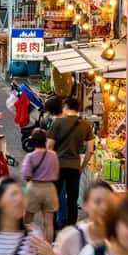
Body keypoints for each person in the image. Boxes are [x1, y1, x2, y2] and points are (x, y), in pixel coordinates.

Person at [46, 97, 94, 229]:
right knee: (72, 199)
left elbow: (49, 147)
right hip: (74, 167)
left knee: (55, 196)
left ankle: (54, 225)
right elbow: (90, 150)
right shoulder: (86, 125)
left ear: (66, 106)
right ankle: (72, 227)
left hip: (58, 166)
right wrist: (82, 167)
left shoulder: (58, 123)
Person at [21, 129, 59, 242]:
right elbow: (56, 172)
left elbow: (25, 174)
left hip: (33, 188)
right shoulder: (53, 155)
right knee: (49, 223)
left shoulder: (30, 156)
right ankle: (48, 248)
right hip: (50, 188)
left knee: (27, 220)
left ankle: (24, 245)